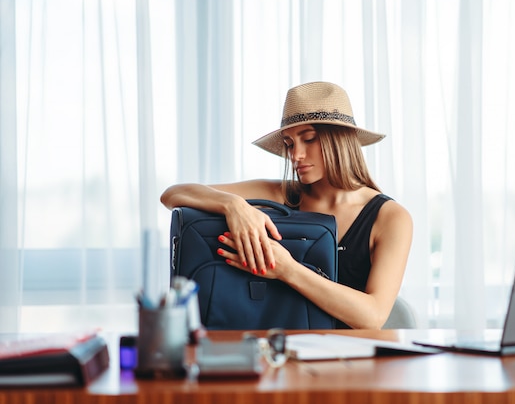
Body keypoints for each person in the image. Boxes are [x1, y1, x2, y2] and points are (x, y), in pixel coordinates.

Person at [160, 81, 413, 329]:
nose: (295, 155)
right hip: (278, 353)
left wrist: (288, 270)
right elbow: (173, 194)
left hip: (351, 361)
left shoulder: (390, 218)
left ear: (341, 141)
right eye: (290, 144)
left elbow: (372, 316)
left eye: (309, 139)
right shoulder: (280, 194)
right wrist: (234, 206)